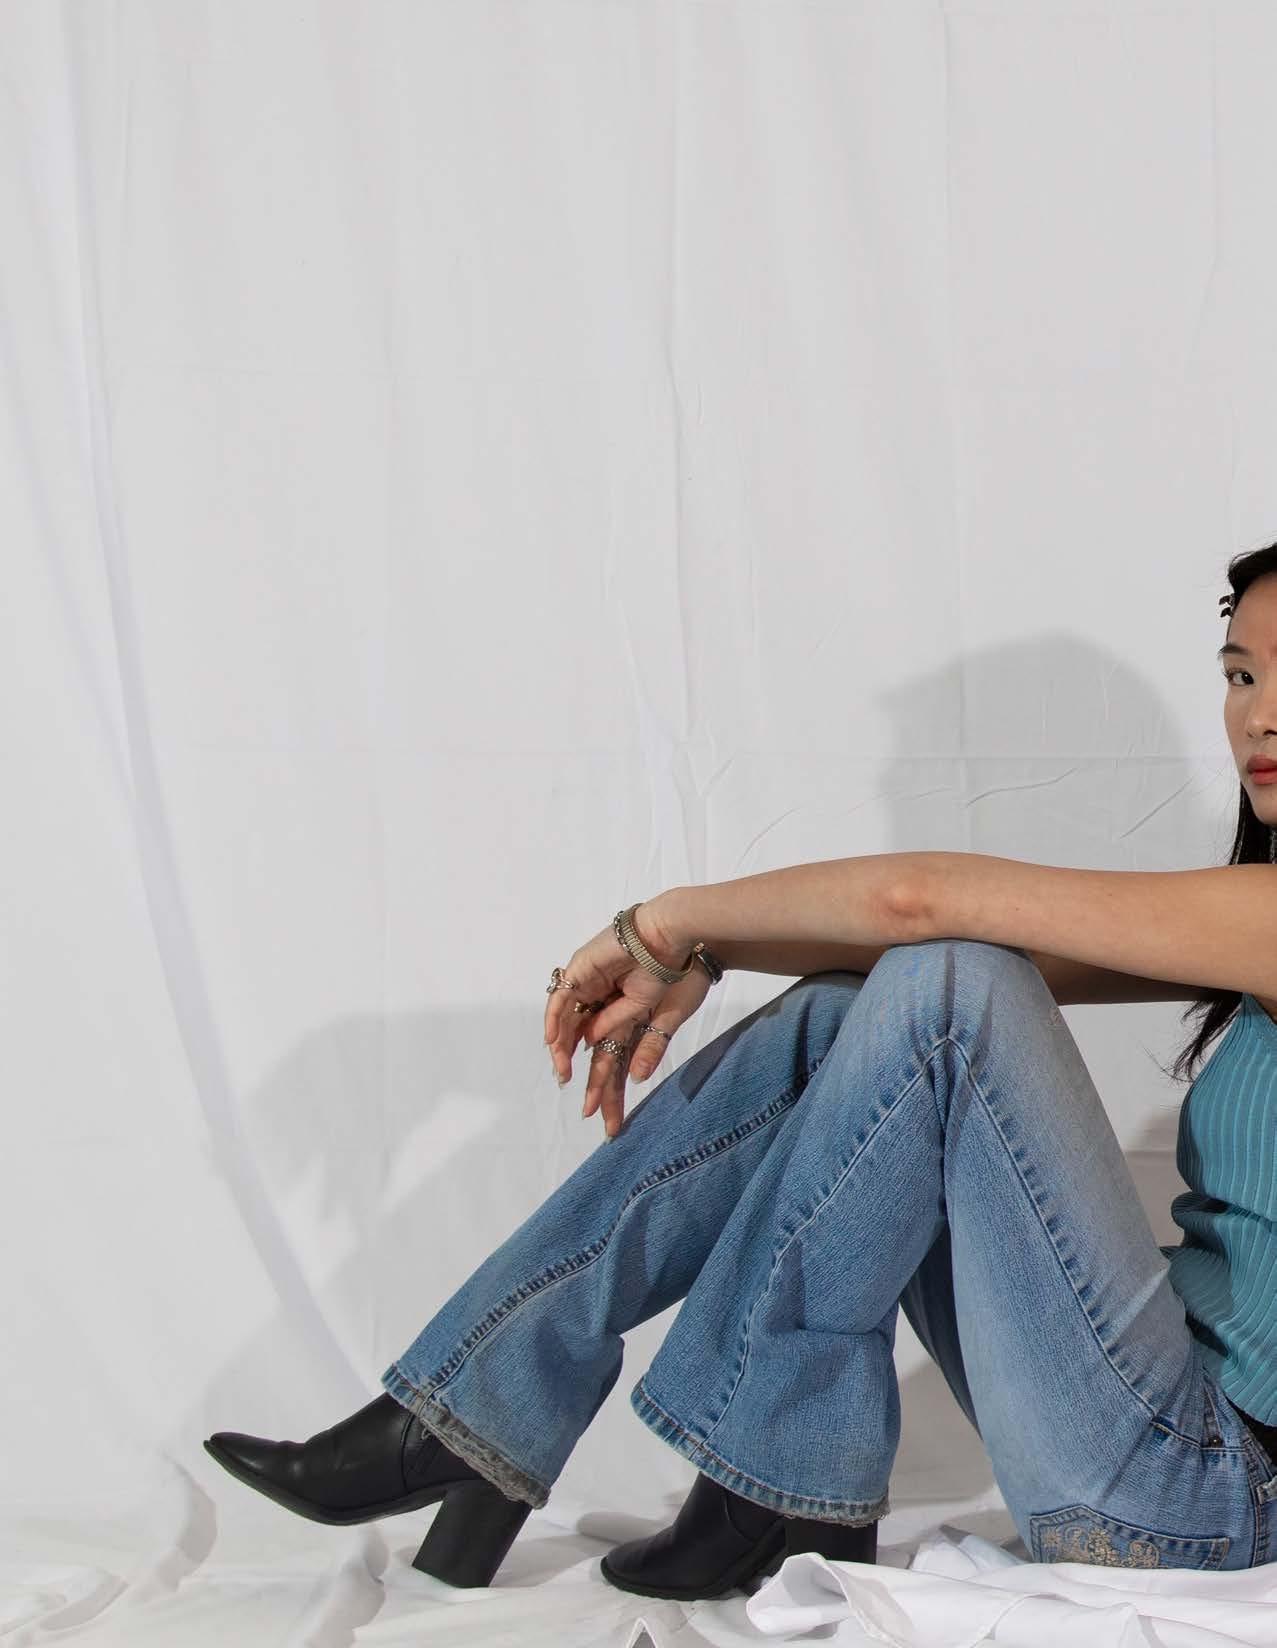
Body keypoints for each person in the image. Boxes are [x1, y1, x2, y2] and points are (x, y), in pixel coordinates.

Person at [203, 544, 1277, 1598]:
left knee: (943, 985)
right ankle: (497, 1413)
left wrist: (667, 923)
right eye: (1239, 675)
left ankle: (719, 1465)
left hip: (1203, 1492)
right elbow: (937, 945)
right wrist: (705, 958)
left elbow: (923, 909)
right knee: (853, 1010)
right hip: (1151, 1400)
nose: (1260, 716)